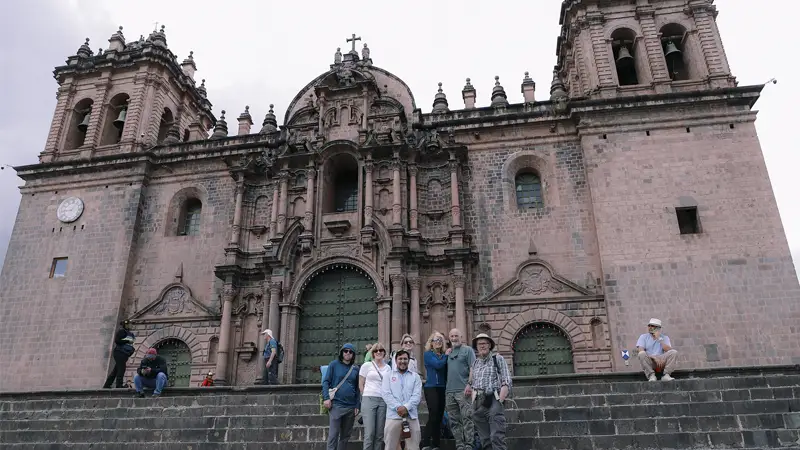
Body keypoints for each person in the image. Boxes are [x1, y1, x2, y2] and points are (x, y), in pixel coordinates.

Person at [470, 333, 511, 450]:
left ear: (489, 345)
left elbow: (506, 380)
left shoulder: (497, 359)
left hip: (494, 398)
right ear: (476, 346)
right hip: (479, 403)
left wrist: (500, 400)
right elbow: (474, 384)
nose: (482, 346)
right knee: (485, 440)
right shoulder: (475, 363)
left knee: (496, 437)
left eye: (484, 343)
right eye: (479, 344)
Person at [382, 350, 423, 450]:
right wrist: (398, 407)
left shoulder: (415, 377)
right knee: (390, 446)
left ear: (409, 361)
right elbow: (386, 394)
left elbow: (417, 395)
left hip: (411, 416)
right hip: (393, 416)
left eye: (405, 359)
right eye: (400, 359)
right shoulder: (388, 375)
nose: (403, 361)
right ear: (395, 360)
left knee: (414, 447)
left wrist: (406, 407)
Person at [322, 343, 361, 450]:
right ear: (342, 352)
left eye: (350, 352)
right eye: (346, 351)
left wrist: (357, 405)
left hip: (350, 407)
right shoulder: (334, 365)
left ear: (353, 354)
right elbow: (326, 382)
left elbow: (357, 388)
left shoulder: (355, 369)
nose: (348, 353)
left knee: (345, 436)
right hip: (336, 405)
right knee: (333, 435)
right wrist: (326, 398)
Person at [445, 328, 476, 450]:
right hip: (449, 392)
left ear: (461, 337)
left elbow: (473, 367)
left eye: (456, 336)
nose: (454, 338)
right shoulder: (448, 353)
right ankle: (460, 445)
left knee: (467, 418)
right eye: (451, 336)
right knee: (454, 421)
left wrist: (470, 384)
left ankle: (469, 445)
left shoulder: (468, 350)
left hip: (463, 391)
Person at [360, 342, 391, 450]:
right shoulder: (366, 365)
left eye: (381, 350)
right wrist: (364, 395)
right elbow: (360, 383)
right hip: (369, 398)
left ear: (384, 353)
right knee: (369, 433)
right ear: (372, 353)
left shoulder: (388, 368)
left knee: (379, 434)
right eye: (375, 351)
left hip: (383, 400)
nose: (378, 352)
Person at [421, 331, 448, 450]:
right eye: (436, 340)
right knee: (434, 414)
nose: (438, 342)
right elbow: (438, 365)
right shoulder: (428, 354)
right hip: (431, 387)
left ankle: (436, 444)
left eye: (440, 340)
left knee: (440, 415)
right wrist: (447, 356)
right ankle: (425, 442)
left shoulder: (443, 355)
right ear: (431, 343)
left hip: (442, 387)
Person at [103, 320, 135, 389]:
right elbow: (117, 341)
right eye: (129, 324)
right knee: (122, 369)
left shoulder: (130, 333)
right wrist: (128, 341)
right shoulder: (122, 331)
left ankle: (107, 385)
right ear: (126, 325)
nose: (131, 325)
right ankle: (119, 385)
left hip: (124, 354)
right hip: (119, 352)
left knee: (116, 370)